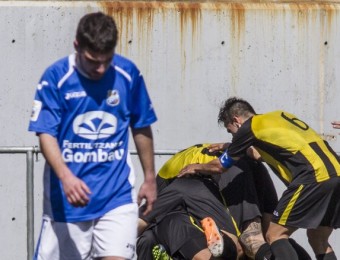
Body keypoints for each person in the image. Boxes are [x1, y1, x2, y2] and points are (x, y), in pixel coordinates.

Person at [28, 12, 158, 260]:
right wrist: (66, 178)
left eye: (106, 61)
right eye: (92, 61)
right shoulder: (55, 78)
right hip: (68, 202)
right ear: (77, 46)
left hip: (116, 196)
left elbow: (141, 126)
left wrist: (150, 177)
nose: (100, 68)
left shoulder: (127, 74)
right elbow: (45, 133)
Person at [179, 97, 340, 260]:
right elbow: (260, 154)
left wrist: (195, 166)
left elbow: (219, 166)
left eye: (230, 131)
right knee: (318, 239)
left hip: (313, 178)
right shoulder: (278, 117)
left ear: (236, 120)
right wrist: (231, 147)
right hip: (336, 174)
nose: (234, 136)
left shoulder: (249, 128)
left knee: (275, 234)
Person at [138, 143, 278, 260]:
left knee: (244, 244)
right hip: (222, 176)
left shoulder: (172, 185)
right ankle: (228, 243)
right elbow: (269, 209)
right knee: (253, 243)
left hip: (215, 174)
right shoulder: (252, 164)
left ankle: (226, 244)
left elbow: (142, 222)